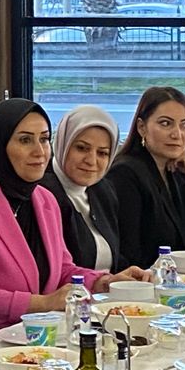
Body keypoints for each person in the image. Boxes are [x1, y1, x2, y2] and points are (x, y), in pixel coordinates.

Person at [0, 99, 140, 341]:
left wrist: (104, 283)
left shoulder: (44, 199)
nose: (40, 151)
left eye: (44, 139)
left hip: (40, 337)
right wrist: (43, 303)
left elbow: (63, 270)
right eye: (25, 140)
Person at [95, 84, 185, 256]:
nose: (177, 134)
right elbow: (129, 253)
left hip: (177, 272)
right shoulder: (125, 174)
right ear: (142, 127)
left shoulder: (178, 172)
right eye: (166, 123)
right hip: (145, 274)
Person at [48, 104, 123, 272]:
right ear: (63, 143)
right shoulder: (43, 194)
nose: (91, 161)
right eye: (82, 148)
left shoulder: (103, 190)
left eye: (102, 153)